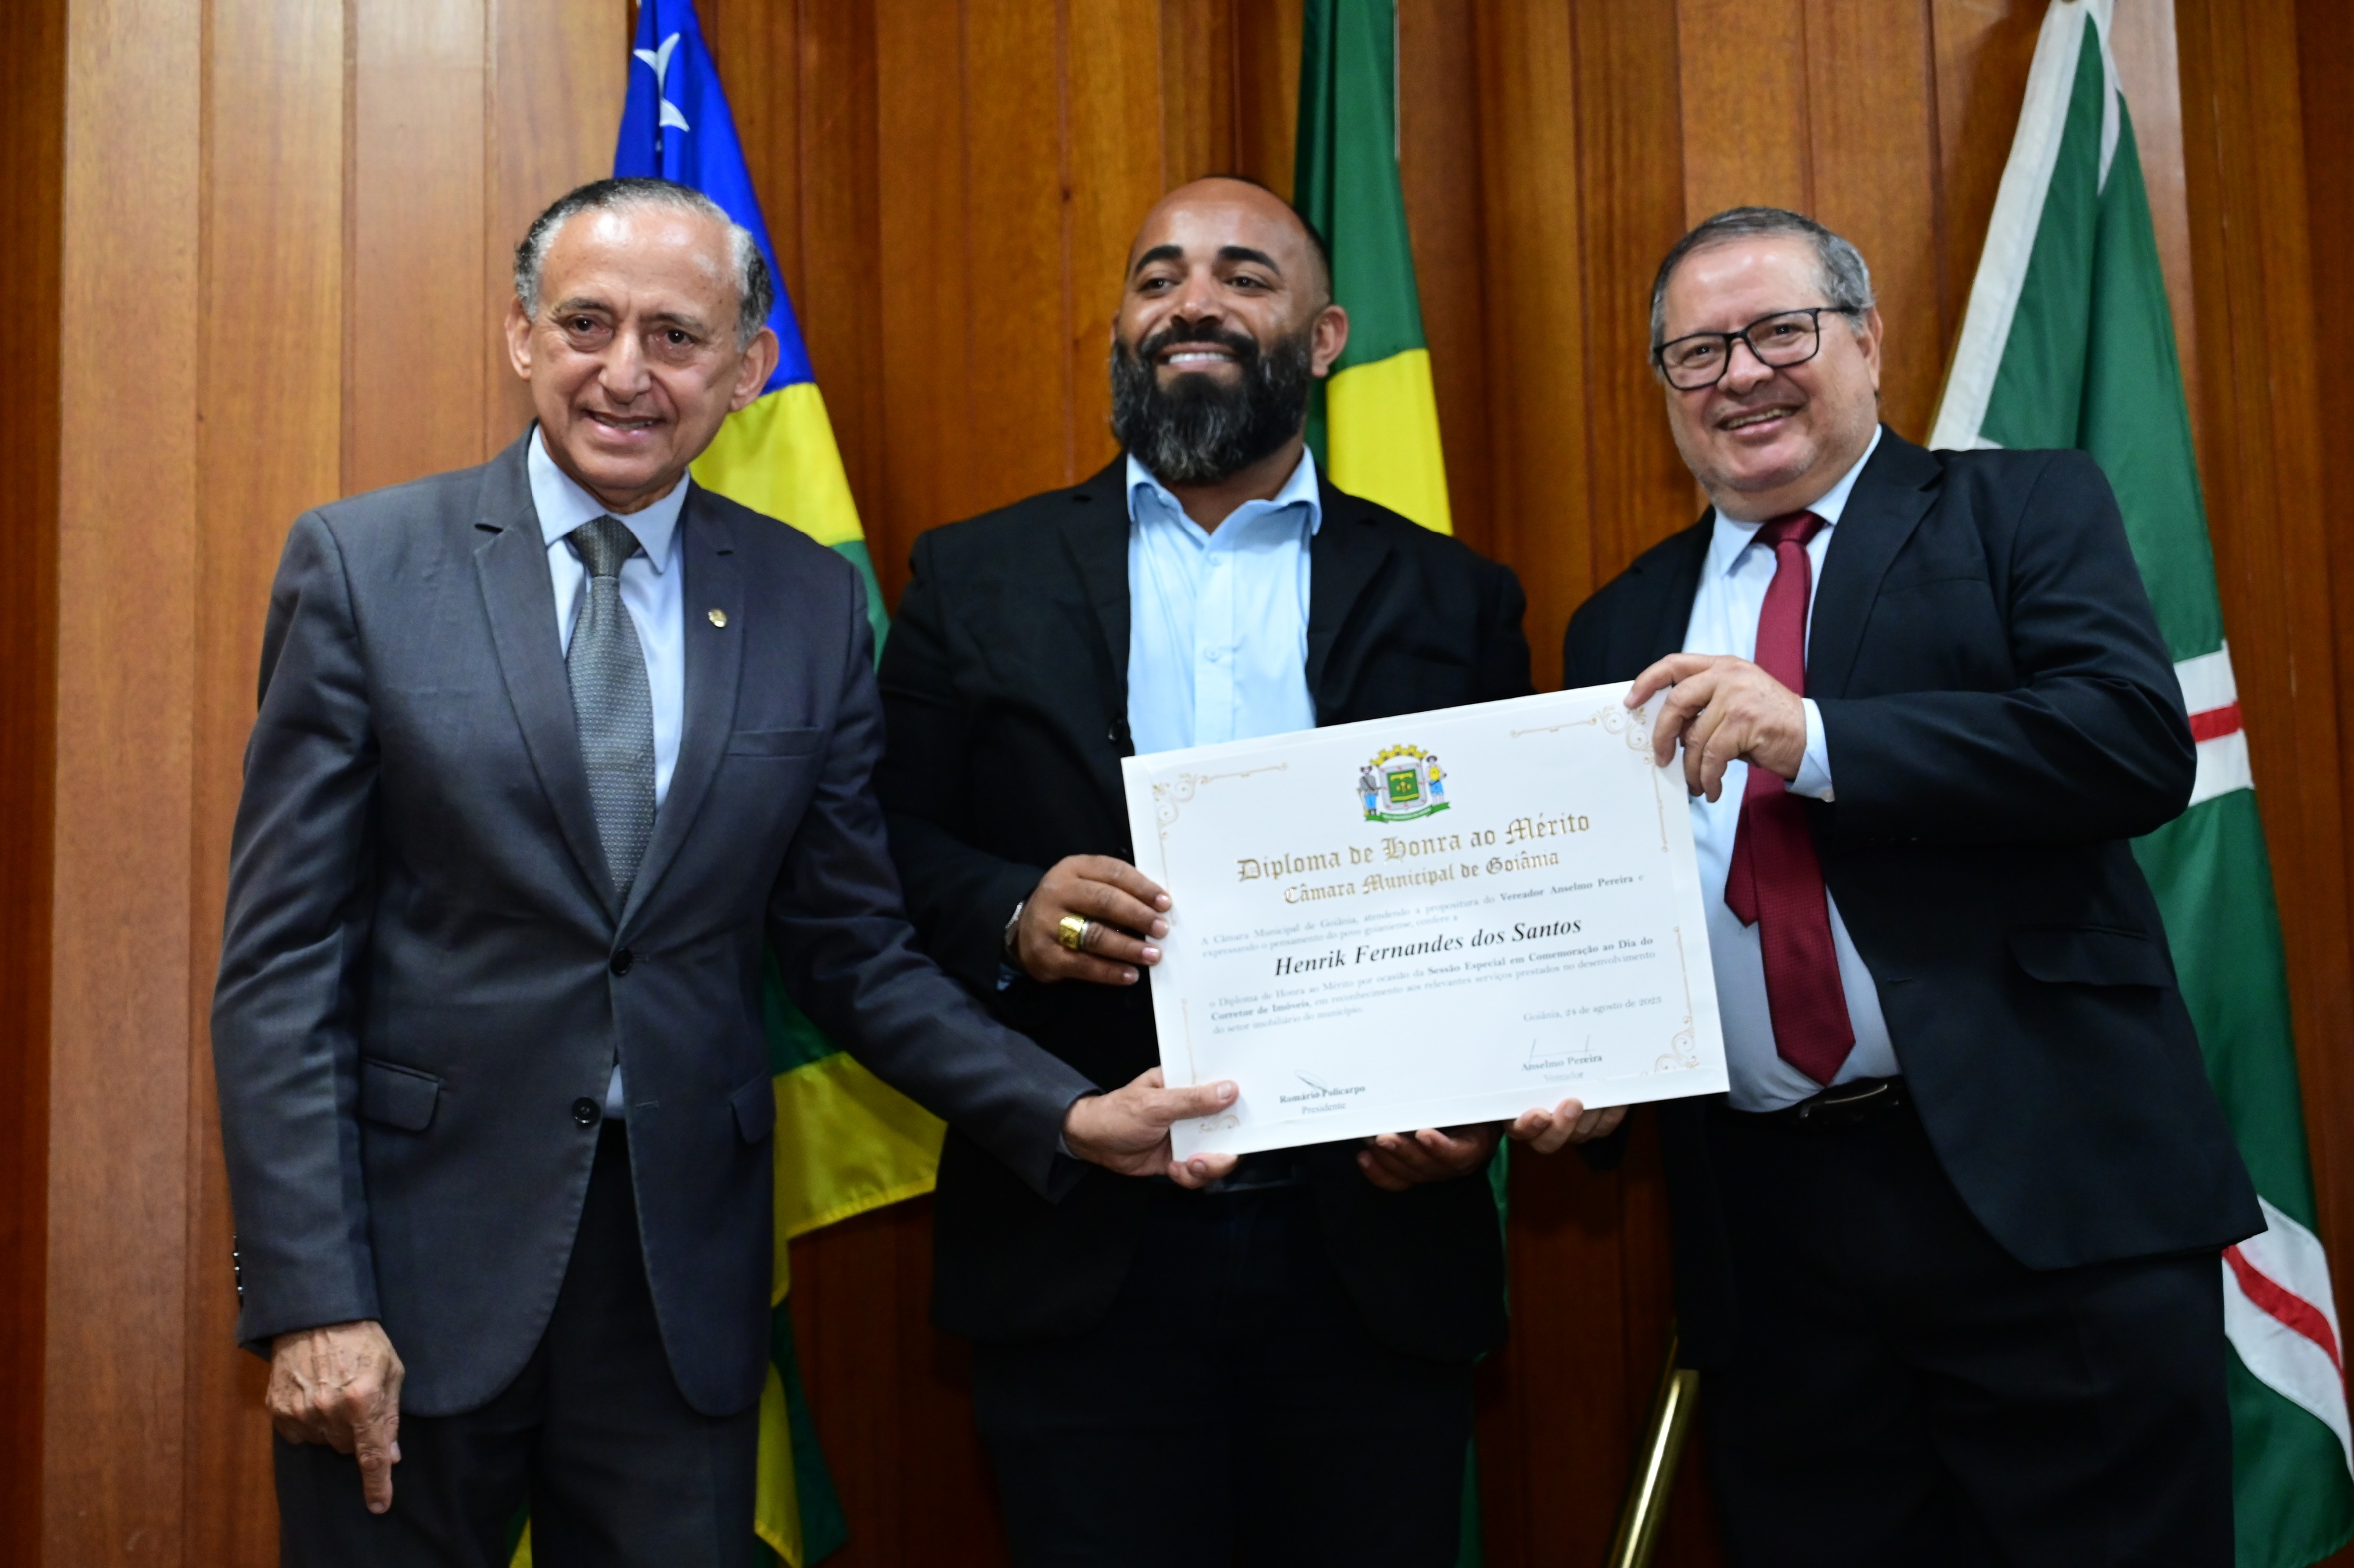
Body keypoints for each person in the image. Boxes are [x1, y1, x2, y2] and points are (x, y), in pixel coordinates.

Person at [210, 176, 1237, 1568]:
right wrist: (312, 1296)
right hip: (409, 1269)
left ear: (748, 370)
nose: (624, 373)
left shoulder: (807, 600)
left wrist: (1062, 1114)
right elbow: (283, 966)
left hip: (675, 1280)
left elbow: (850, 948)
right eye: (586, 323)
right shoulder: (365, 567)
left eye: (676, 337)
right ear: (521, 335)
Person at [875, 176, 1614, 1566]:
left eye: (1241, 276)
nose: (1191, 304)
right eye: (1157, 278)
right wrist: (1014, 913)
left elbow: (1507, 900)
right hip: (1078, 1243)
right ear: (1123, 328)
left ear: (1324, 338)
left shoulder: (1457, 597)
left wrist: (1469, 1108)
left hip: (1371, 1257)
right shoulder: (973, 576)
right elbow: (884, 849)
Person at [1559, 205, 2261, 1565]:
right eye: (1698, 353)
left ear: (1869, 342)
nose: (1741, 376)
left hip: (2046, 1199)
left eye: (1780, 332)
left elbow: (2129, 742)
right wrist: (1586, 1080)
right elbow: (1613, 914)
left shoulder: (2021, 508)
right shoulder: (1617, 625)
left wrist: (1816, 739)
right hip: (1773, 1244)